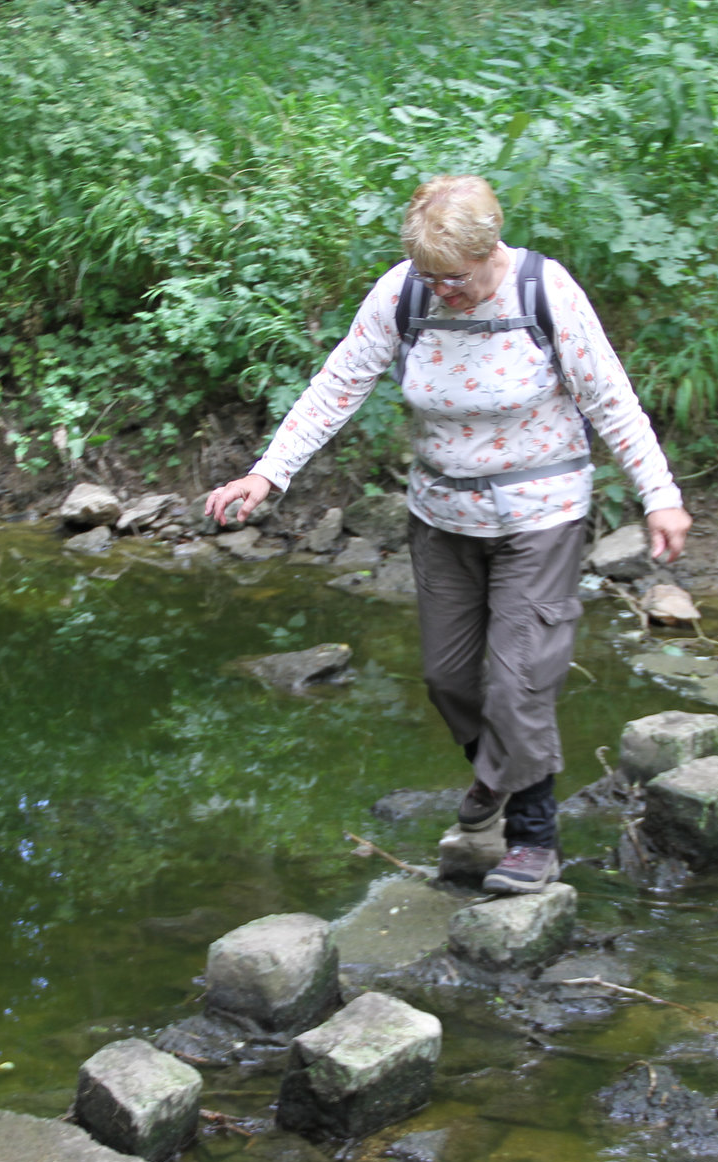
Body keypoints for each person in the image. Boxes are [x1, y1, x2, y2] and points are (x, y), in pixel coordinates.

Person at [204, 175, 691, 895]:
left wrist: (660, 495)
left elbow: (611, 401)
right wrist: (268, 474)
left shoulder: (543, 293)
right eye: (429, 278)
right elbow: (338, 385)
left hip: (541, 514)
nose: (441, 293)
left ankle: (531, 837)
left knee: (518, 680)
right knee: (448, 677)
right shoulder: (403, 294)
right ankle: (497, 777)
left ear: (489, 250)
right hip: (441, 516)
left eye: (454, 279)